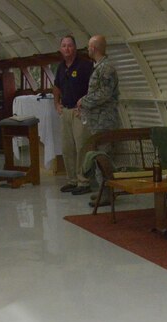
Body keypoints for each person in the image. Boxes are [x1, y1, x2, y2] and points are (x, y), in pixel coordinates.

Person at [76, 35, 121, 207]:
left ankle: (108, 193)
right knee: (98, 156)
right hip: (97, 121)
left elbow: (105, 94)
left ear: (94, 48)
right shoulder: (99, 67)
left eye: (89, 46)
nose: (87, 50)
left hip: (105, 121)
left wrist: (84, 101)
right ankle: (104, 190)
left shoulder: (106, 68)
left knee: (104, 157)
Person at [52, 35, 93, 195]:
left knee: (81, 146)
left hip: (80, 112)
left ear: (75, 48)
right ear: (60, 49)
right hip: (66, 111)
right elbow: (56, 87)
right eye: (64, 46)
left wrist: (85, 103)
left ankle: (84, 181)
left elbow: (93, 87)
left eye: (70, 45)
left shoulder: (85, 66)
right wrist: (56, 103)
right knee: (67, 148)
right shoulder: (61, 67)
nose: (67, 48)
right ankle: (72, 180)